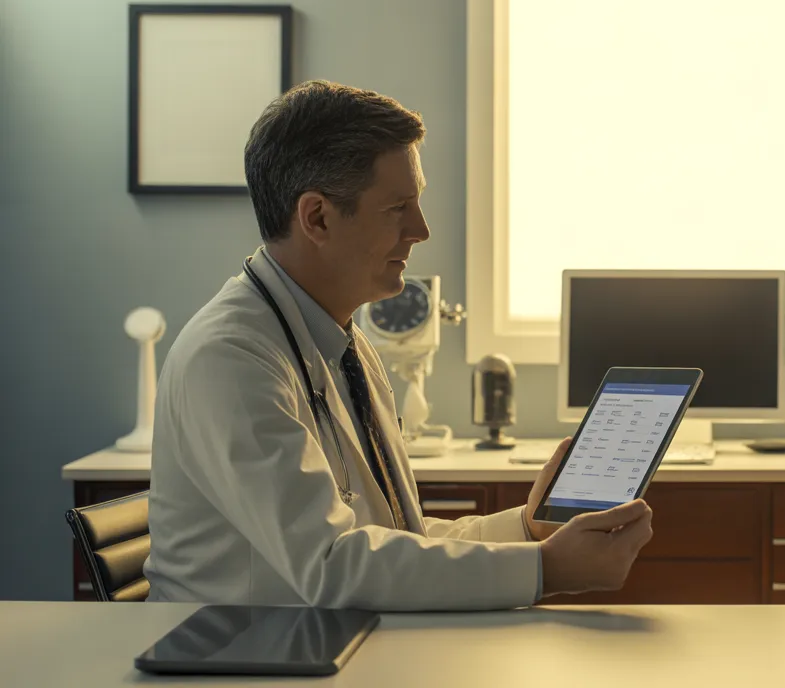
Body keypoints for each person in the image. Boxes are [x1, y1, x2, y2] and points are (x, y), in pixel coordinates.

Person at [144, 80, 653, 610]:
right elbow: (333, 564)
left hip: (326, 639)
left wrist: (527, 529)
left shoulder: (344, 346)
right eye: (398, 207)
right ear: (317, 217)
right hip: (238, 653)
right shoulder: (229, 359)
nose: (422, 229)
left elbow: (396, 540)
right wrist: (549, 569)